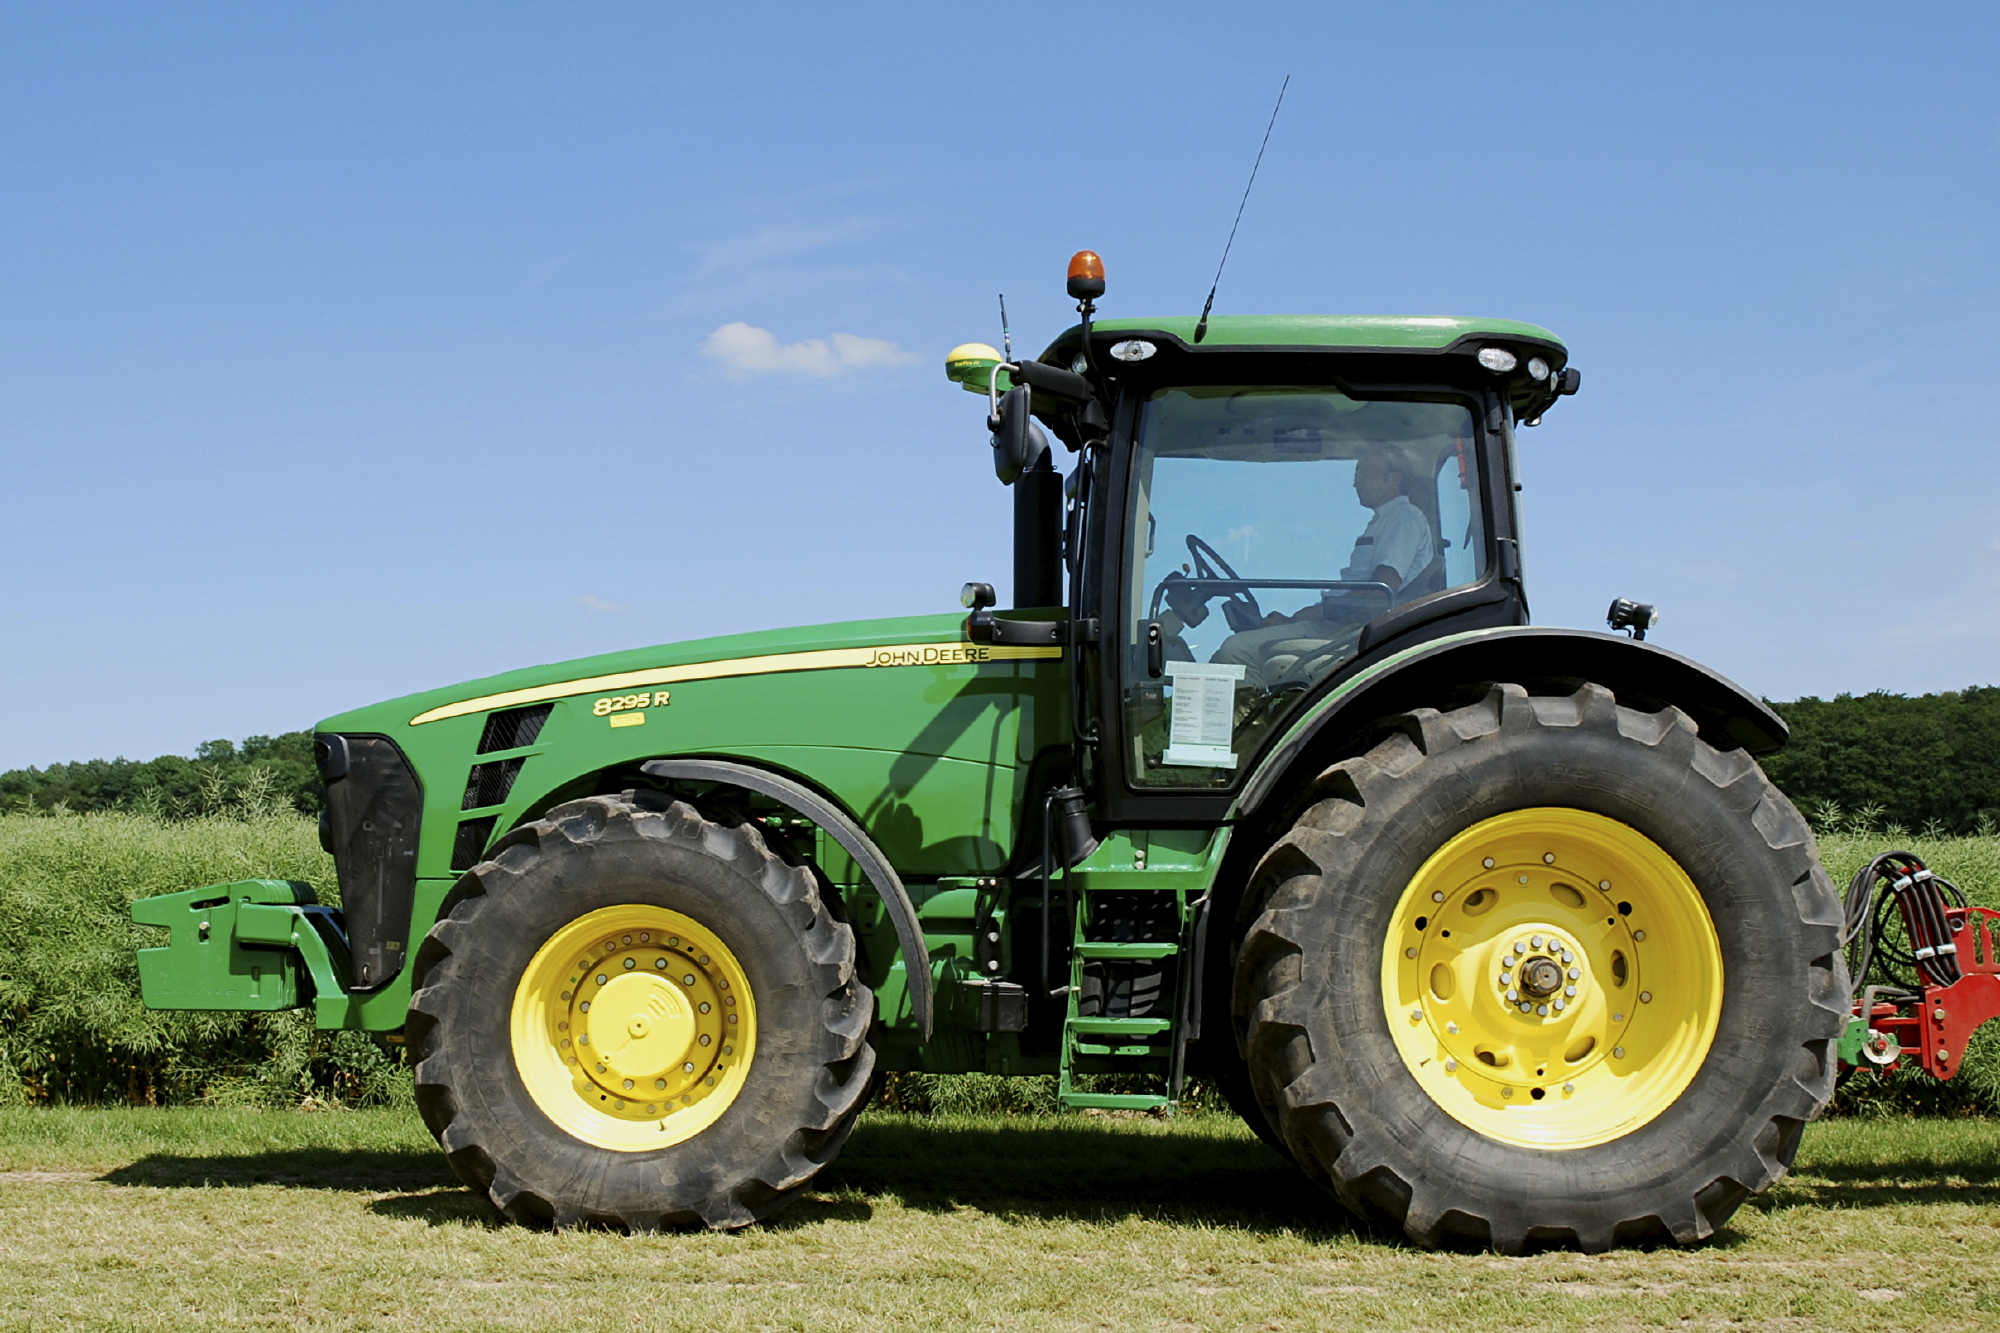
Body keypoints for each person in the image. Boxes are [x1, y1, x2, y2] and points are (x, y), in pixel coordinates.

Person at [1209, 444, 1435, 686]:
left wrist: (1306, 615)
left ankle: (1257, 722)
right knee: (1217, 660)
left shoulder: (1403, 518)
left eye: (1365, 472)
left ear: (1394, 478)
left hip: (1351, 630)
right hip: (1341, 622)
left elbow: (1381, 591)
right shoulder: (1385, 520)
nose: (1356, 483)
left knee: (1235, 650)